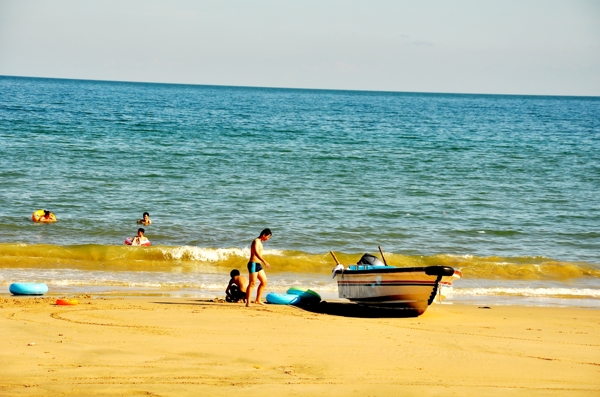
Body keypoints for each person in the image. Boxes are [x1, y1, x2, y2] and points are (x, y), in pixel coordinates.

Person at [246, 228, 272, 307]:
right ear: (264, 235)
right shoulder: (256, 241)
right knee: (252, 283)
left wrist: (261, 262)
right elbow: (256, 253)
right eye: (268, 237)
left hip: (258, 265)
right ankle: (248, 302)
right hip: (253, 264)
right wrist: (264, 261)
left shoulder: (260, 242)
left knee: (264, 281)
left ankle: (258, 300)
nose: (268, 239)